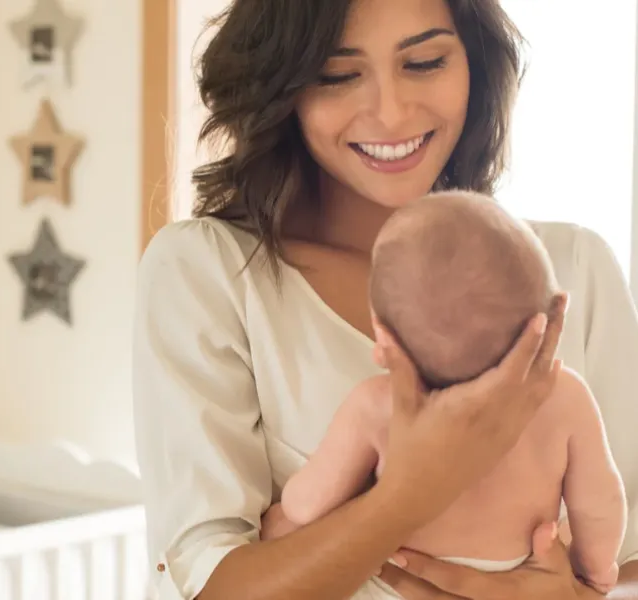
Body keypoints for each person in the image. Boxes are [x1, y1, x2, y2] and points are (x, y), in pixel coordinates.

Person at [132, 0, 638, 598]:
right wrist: (407, 496)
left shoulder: (574, 268)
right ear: (282, 86)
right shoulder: (209, 272)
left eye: (424, 62)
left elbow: (626, 558)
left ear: (472, 62)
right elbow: (209, 584)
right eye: (338, 75)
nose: (391, 112)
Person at [268, 191, 627, 596]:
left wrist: (283, 516)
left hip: (404, 574)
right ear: (549, 317)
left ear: (381, 336)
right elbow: (600, 502)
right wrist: (595, 569)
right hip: (518, 566)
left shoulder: (376, 405)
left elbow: (309, 503)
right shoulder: (563, 396)